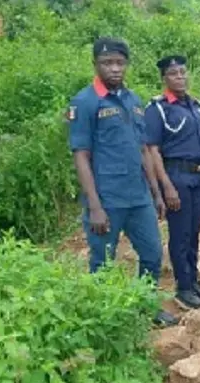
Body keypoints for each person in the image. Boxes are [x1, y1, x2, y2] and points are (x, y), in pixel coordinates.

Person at [67, 37, 177, 327]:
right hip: (107, 199)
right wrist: (94, 206)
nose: (114, 68)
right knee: (102, 262)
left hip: (138, 197)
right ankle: (101, 319)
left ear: (126, 64)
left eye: (119, 62)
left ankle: (145, 306)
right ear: (96, 65)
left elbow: (143, 151)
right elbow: (81, 156)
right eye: (107, 63)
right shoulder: (85, 102)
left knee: (153, 254)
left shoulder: (133, 100)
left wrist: (155, 193)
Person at [144, 55, 200, 310]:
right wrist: (166, 186)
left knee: (195, 231)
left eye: (182, 72)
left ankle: (192, 282)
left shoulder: (196, 107)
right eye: (173, 73)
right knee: (180, 234)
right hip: (177, 176)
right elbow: (153, 150)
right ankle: (182, 288)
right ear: (164, 78)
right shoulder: (158, 109)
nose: (180, 77)